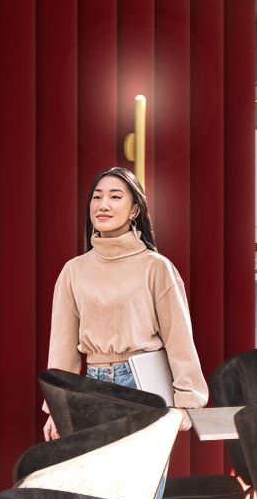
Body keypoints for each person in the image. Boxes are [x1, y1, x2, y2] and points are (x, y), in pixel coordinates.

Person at [43, 167, 207, 440]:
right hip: (92, 389)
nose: (103, 205)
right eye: (97, 197)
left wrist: (187, 402)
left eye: (115, 197)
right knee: (100, 481)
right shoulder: (74, 270)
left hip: (144, 388)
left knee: (143, 482)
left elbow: (180, 339)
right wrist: (57, 409)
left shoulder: (156, 268)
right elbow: (62, 347)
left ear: (134, 211)